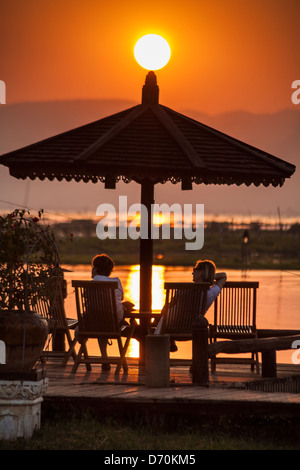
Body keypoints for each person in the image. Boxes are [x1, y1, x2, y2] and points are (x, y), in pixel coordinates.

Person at [156, 259, 227, 351]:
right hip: (194, 328)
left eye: (195, 270)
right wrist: (209, 277)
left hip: (171, 328)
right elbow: (223, 276)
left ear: (201, 272)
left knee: (162, 316)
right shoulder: (211, 293)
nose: (192, 273)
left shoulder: (182, 290)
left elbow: (168, 307)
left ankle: (168, 343)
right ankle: (171, 343)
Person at [91, 254, 135, 371]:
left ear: (95, 269)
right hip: (114, 322)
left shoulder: (92, 284)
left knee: (101, 316)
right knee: (109, 316)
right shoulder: (116, 282)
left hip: (95, 323)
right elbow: (119, 299)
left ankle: (104, 356)